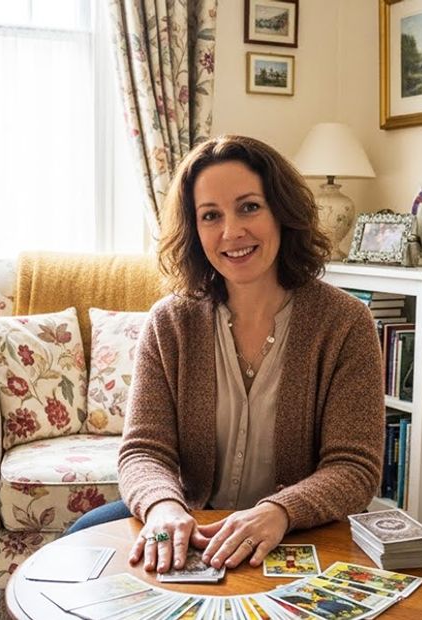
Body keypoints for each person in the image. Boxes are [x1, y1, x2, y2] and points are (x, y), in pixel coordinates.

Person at [64, 134, 384, 576]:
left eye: (249, 206)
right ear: (194, 231)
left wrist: (279, 511)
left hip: (297, 529)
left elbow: (355, 467)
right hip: (192, 521)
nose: (231, 232)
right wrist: (162, 507)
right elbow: (143, 450)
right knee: (78, 548)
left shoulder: (346, 322)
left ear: (282, 212)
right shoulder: (170, 323)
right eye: (210, 215)